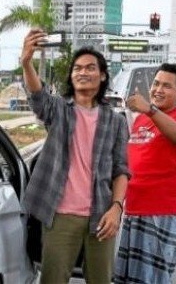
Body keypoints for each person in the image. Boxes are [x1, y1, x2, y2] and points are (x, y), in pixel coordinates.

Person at [21, 28, 130, 284]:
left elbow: (121, 170)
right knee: (53, 279)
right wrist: (26, 62)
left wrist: (116, 208)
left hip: (101, 216)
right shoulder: (59, 110)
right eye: (77, 68)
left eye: (90, 68)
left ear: (102, 76)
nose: (83, 72)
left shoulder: (115, 122)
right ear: (72, 76)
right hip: (59, 214)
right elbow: (38, 97)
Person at [114, 63, 176, 283]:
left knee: (153, 279)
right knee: (130, 278)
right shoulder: (141, 119)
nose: (158, 90)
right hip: (135, 209)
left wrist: (151, 109)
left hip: (163, 211)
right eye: (156, 83)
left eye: (167, 86)